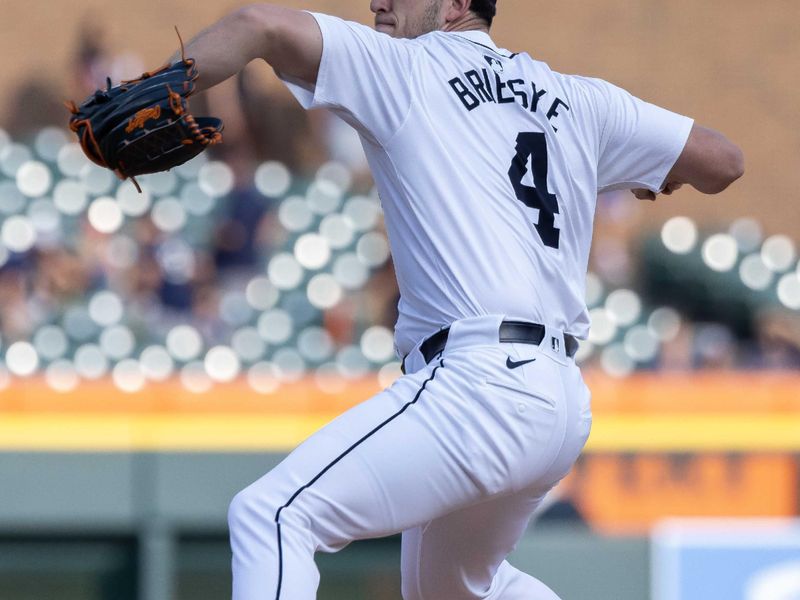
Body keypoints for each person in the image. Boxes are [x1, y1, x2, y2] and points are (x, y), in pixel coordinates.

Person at [173, 1, 744, 598]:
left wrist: (154, 85)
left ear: (454, 5)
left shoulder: (406, 68)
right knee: (450, 588)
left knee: (273, 515)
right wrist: (650, 171)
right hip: (557, 397)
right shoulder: (580, 99)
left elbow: (256, 25)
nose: (378, 3)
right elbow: (722, 161)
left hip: (479, 383)